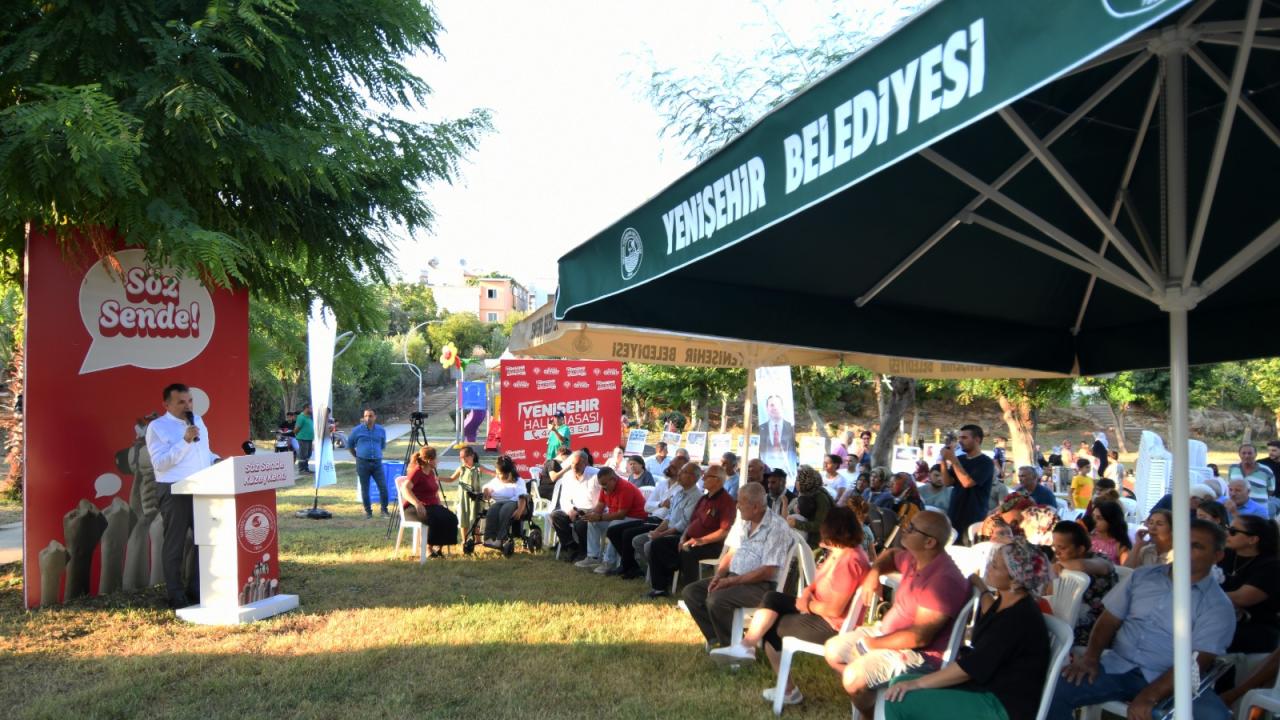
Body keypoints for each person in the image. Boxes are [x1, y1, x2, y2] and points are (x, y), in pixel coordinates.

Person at [1047, 519, 1236, 720]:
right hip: (1118, 665)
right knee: (1053, 690)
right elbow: (1108, 620)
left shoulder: (1218, 605)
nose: (1185, 550)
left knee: (1214, 716)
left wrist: (1151, 695)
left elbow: (1198, 661)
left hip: (1170, 679)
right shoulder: (1142, 577)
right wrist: (1091, 657)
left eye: (1196, 546)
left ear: (1217, 556)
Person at [711, 507, 871, 707]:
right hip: (817, 608)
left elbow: (834, 610)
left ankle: (788, 690)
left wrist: (808, 605)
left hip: (831, 624)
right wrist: (806, 593)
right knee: (772, 598)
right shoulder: (840, 552)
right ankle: (747, 646)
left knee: (771, 627)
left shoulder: (851, 561)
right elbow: (816, 583)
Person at [881, 538, 1052, 720]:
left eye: (995, 566)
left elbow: (968, 669)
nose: (989, 567)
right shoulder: (1009, 601)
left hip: (1000, 706)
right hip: (984, 689)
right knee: (899, 683)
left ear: (1015, 581)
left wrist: (918, 684)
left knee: (900, 698)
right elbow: (991, 614)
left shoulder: (1017, 619)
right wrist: (982, 587)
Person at [825, 510, 971, 719]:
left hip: (921, 656)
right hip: (887, 634)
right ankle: (875, 705)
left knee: (853, 676)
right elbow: (891, 556)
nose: (905, 529)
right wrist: (874, 573)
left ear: (929, 542)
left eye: (912, 528)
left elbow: (920, 637)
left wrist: (870, 645)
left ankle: (871, 711)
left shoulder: (944, 581)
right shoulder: (915, 558)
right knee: (832, 650)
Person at [682, 482, 794, 649]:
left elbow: (768, 571)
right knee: (691, 592)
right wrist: (719, 576)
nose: (737, 505)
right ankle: (716, 637)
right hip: (734, 577)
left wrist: (731, 582)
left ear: (755, 507)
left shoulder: (777, 527)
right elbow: (731, 553)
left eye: (741, 502)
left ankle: (732, 647)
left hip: (761, 586)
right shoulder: (743, 522)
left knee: (715, 600)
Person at [145, 383, 214, 609]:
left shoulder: (198, 421)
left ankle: (196, 589)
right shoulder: (158, 427)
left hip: (201, 486)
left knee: (203, 540)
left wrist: (216, 460)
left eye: (190, 401)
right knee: (175, 542)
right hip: (174, 489)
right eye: (181, 402)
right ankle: (175, 594)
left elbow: (203, 453)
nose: (188, 406)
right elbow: (160, 463)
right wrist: (184, 441)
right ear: (166, 404)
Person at [645, 464, 735, 598]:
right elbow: (691, 522)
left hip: (711, 545)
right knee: (657, 544)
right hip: (691, 539)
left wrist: (701, 540)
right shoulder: (705, 499)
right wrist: (683, 537)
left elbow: (724, 531)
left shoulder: (726, 501)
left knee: (687, 552)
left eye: (707, 476)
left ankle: (691, 593)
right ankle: (659, 589)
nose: (703, 478)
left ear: (718, 480)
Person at [1049, 520, 1118, 646]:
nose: (1057, 552)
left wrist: (1060, 565)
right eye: (1055, 547)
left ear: (1081, 549)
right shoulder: (1061, 561)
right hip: (1067, 621)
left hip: (1095, 631)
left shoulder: (1102, 560)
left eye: (1062, 548)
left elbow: (1082, 565)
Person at [629, 461, 702, 580]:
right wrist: (656, 531)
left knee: (649, 545)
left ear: (694, 477)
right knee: (637, 540)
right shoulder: (679, 493)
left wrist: (661, 534)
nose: (679, 474)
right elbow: (668, 517)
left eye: (684, 472)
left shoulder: (696, 497)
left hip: (681, 535)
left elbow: (683, 524)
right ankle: (660, 569)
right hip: (667, 529)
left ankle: (665, 573)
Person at [1219, 514, 1280, 654]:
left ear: (1253, 539)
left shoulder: (1271, 566)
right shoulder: (1225, 555)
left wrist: (1201, 594)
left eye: (1233, 531)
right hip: (1222, 621)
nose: (1227, 533)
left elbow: (1242, 598)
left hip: (1254, 630)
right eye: (1227, 528)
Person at [584, 466, 649, 574]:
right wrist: (592, 514)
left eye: (605, 484)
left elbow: (621, 515)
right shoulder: (605, 487)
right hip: (620, 517)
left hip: (636, 519)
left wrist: (599, 517)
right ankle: (593, 557)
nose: (603, 488)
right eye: (601, 485)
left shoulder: (625, 488)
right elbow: (600, 505)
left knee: (614, 526)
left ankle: (609, 562)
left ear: (613, 480)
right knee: (592, 523)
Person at [941, 424, 996, 546]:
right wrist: (943, 461)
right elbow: (947, 482)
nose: (960, 441)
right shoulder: (960, 459)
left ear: (977, 440)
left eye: (964, 438)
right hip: (954, 513)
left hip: (973, 516)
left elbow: (967, 482)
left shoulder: (986, 462)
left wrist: (953, 459)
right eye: (960, 438)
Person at [400, 446, 458, 555]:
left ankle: (439, 548)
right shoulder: (417, 472)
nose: (438, 461)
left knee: (450, 517)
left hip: (431, 506)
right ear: (429, 460)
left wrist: (440, 505)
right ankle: (428, 548)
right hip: (413, 508)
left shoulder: (431, 472)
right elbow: (405, 489)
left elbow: (434, 491)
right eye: (436, 459)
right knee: (434, 519)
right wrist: (417, 503)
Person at [549, 450, 599, 562]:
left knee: (581, 524)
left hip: (592, 510)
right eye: (572, 464)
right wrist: (570, 510)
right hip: (575, 509)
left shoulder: (596, 475)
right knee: (555, 516)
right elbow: (564, 499)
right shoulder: (567, 476)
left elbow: (603, 499)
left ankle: (584, 551)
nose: (574, 467)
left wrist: (593, 511)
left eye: (577, 464)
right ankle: (571, 546)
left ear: (586, 463)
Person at [480, 455, 529, 551]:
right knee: (492, 511)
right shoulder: (497, 480)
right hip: (498, 502)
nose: (497, 475)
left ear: (508, 473)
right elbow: (489, 486)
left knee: (504, 510)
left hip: (513, 502)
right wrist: (487, 490)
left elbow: (522, 497)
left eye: (499, 473)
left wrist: (519, 510)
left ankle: (500, 539)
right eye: (497, 473)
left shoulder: (519, 481)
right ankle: (489, 538)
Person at [347, 408, 389, 519]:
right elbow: (350, 445)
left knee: (383, 487)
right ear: (363, 417)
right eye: (366, 416)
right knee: (365, 488)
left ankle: (384, 511)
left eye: (370, 416)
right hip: (362, 463)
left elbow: (382, 446)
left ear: (375, 417)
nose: (368, 418)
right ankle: (368, 512)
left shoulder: (381, 430)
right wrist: (357, 456)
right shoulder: (356, 430)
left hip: (377, 463)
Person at [787, 465, 833, 549]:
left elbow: (820, 525)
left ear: (806, 482)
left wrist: (797, 524)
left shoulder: (821, 498)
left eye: (798, 479)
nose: (795, 482)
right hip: (808, 542)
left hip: (818, 544)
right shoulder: (806, 494)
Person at [1088, 500, 1131, 566]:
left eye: (1099, 518)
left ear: (1111, 521)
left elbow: (1126, 569)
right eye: (1093, 516)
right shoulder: (1088, 538)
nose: (1093, 521)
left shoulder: (1120, 546)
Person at [759, 394, 796, 463]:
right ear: (767, 408)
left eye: (777, 405)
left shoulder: (791, 428)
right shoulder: (761, 428)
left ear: (782, 407)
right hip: (765, 469)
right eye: (772, 405)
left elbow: (792, 452)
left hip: (786, 469)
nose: (775, 408)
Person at [293, 403, 315, 473]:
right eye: (311, 408)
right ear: (306, 408)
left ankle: (306, 468)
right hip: (303, 439)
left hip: (309, 439)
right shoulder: (301, 417)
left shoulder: (310, 417)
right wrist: (297, 435)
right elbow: (296, 429)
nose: (312, 410)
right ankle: (301, 469)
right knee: (303, 454)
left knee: (308, 454)